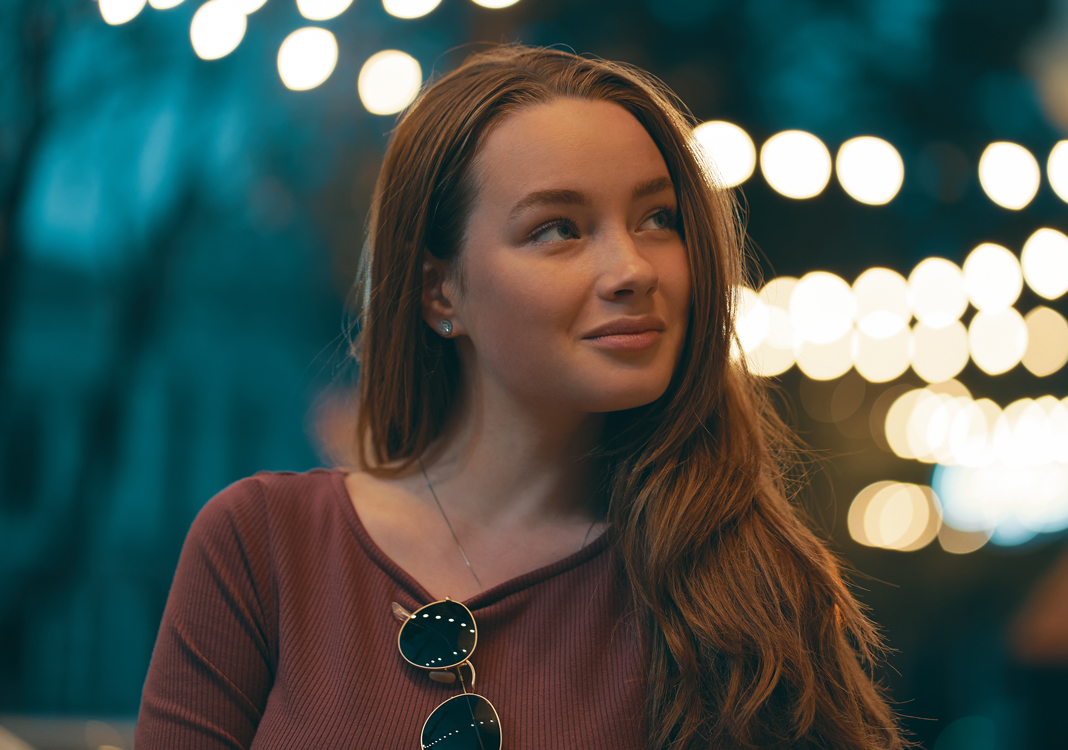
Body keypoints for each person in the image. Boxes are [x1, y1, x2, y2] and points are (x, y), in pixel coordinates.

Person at [135, 44, 902, 750]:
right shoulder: (264, 545)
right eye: (559, 229)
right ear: (441, 291)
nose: (633, 267)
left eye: (658, 219)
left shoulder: (752, 589)